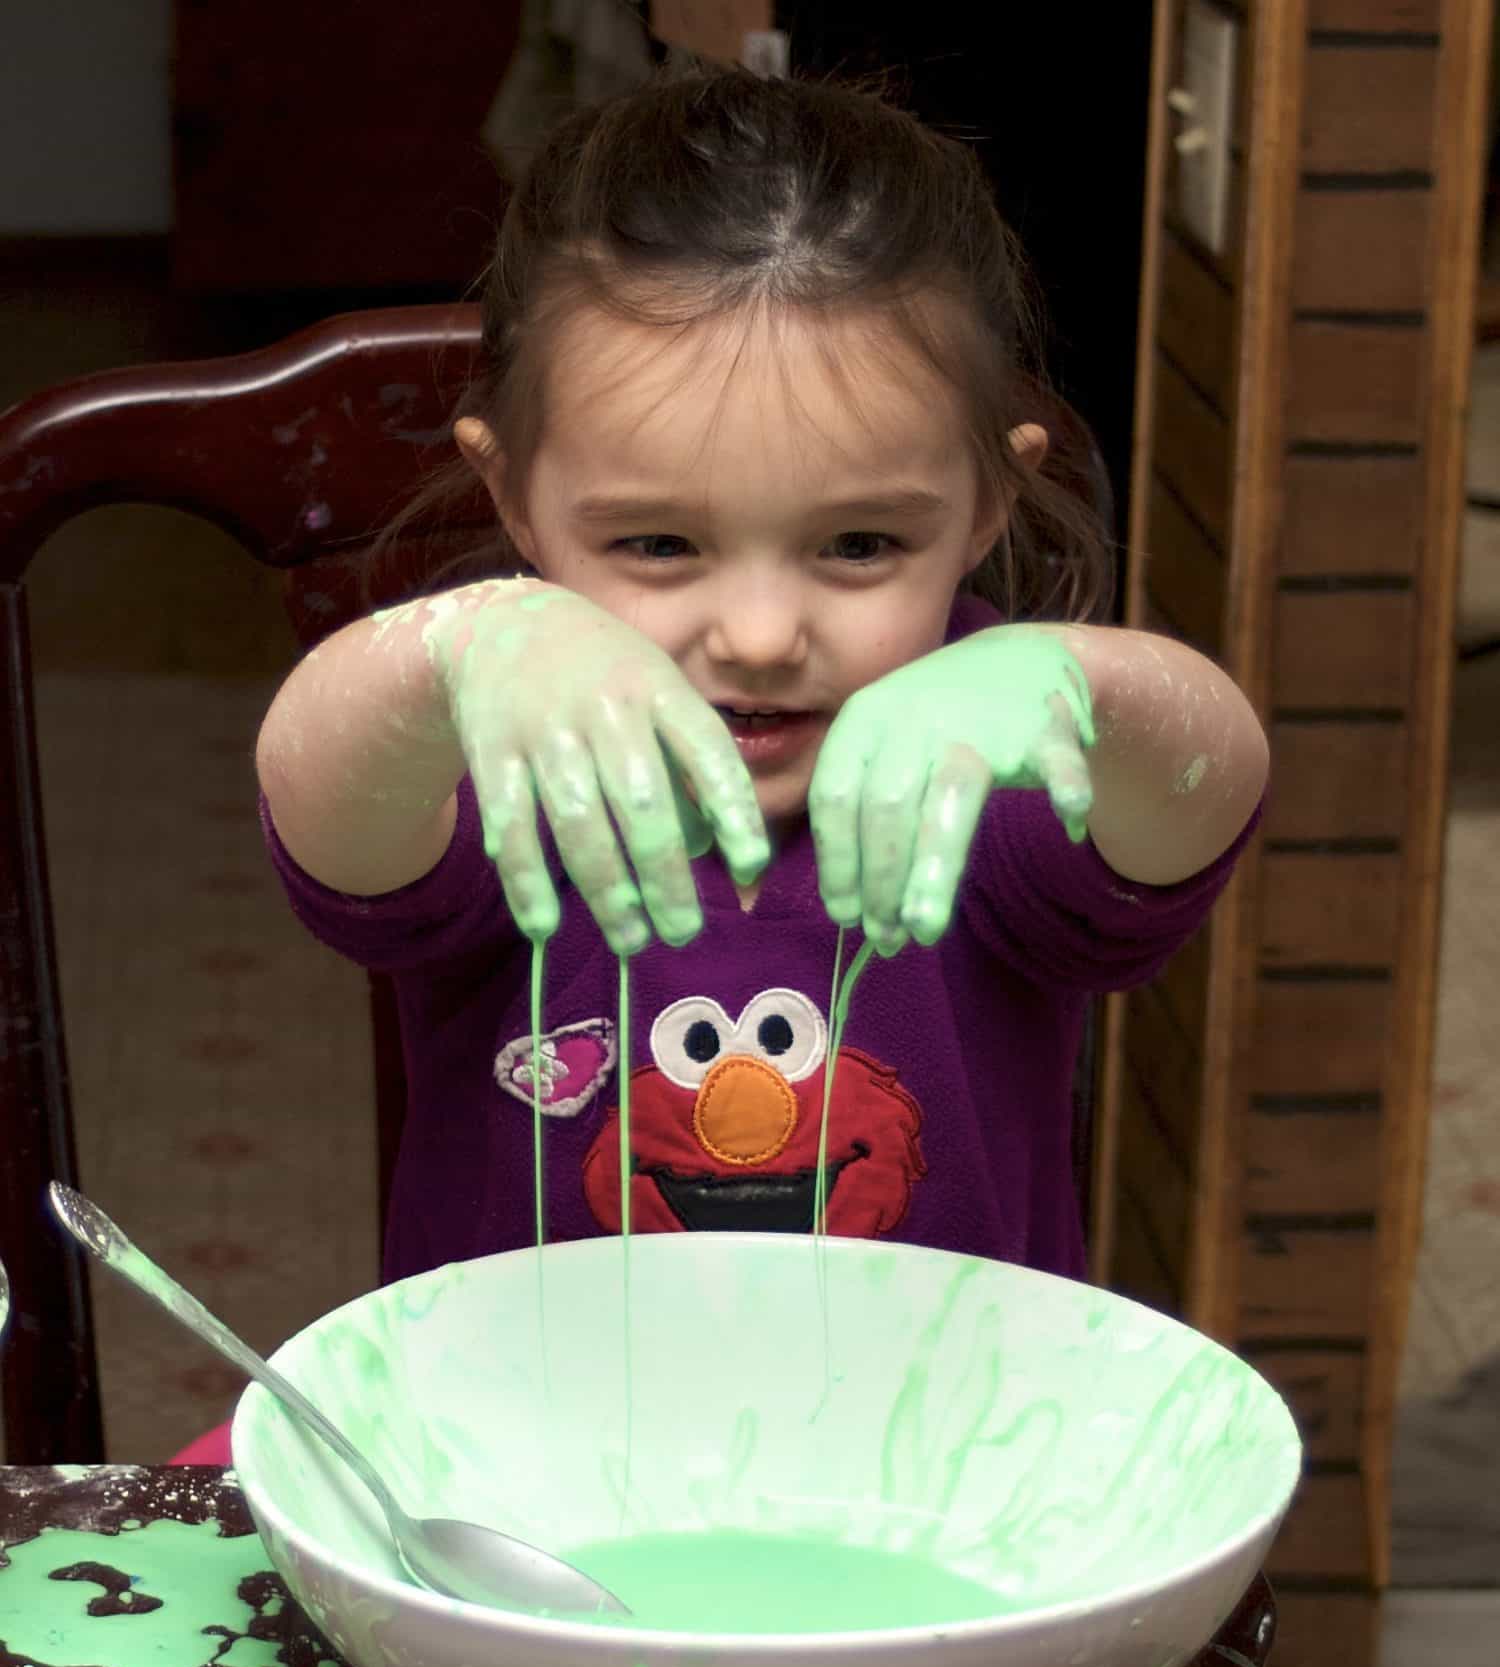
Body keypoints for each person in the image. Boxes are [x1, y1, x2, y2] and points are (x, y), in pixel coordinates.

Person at [171, 56, 1267, 1465]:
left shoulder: (993, 778)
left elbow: (1212, 777)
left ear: (992, 500)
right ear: (510, 491)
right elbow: (321, 799)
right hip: (524, 1480)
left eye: (861, 546)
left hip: (937, 1490)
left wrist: (1089, 682)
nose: (758, 635)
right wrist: (451, 652)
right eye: (658, 545)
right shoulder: (503, 770)